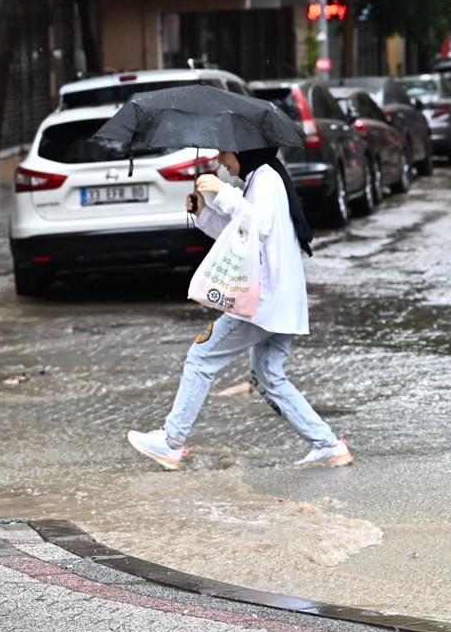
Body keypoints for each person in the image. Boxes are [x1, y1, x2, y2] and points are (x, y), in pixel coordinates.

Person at [127, 146, 352, 470]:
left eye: (225, 153)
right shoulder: (262, 178)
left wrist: (223, 191)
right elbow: (242, 233)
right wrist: (203, 213)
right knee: (267, 376)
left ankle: (171, 441)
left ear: (244, 149)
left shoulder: (266, 178)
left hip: (264, 302)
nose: (221, 160)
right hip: (281, 300)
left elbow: (258, 224)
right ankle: (327, 445)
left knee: (201, 356)